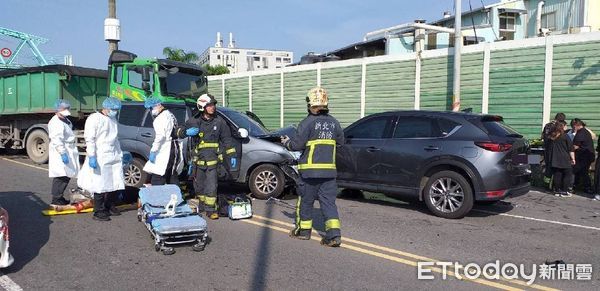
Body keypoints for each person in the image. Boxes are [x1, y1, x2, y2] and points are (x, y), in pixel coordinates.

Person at [281, 86, 344, 247]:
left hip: (309, 172)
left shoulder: (307, 123)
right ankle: (334, 235)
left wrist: (286, 143)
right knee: (329, 203)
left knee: (305, 202)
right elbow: (341, 142)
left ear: (310, 104)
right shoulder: (334, 123)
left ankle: (303, 232)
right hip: (329, 172)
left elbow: (296, 145)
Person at [176, 93, 236, 220]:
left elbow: (227, 140)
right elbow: (177, 131)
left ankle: (210, 210)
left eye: (213, 105)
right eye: (209, 105)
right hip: (198, 161)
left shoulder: (219, 122)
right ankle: (202, 205)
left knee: (212, 185)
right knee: (199, 186)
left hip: (213, 161)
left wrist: (232, 155)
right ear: (202, 107)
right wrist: (185, 132)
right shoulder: (194, 121)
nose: (212, 107)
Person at [77, 97, 125, 221]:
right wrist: (92, 155)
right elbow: (90, 139)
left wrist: (120, 153)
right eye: (113, 109)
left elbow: (115, 139)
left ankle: (109, 205)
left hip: (113, 154)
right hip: (100, 155)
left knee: (115, 181)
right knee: (100, 183)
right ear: (105, 108)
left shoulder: (113, 119)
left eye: (116, 109)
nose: (115, 111)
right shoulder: (94, 118)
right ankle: (98, 211)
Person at [142, 97, 184, 185]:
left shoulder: (160, 118)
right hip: (174, 147)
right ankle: (174, 196)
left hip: (166, 149)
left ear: (157, 105)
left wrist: (153, 151)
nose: (151, 111)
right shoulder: (169, 114)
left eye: (151, 108)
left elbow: (160, 137)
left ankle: (158, 196)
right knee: (172, 174)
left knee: (158, 175)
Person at [48, 99, 80, 206]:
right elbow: (57, 139)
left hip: (68, 148)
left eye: (67, 108)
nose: (66, 110)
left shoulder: (66, 120)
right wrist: (62, 153)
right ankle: (56, 199)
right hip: (60, 150)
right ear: (57, 110)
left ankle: (59, 197)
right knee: (61, 175)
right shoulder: (55, 122)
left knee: (67, 175)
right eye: (64, 108)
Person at [548, 120, 575, 197]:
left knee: (557, 174)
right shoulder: (565, 136)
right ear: (562, 127)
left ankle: (557, 191)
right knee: (567, 174)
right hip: (564, 158)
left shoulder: (551, 136)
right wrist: (573, 159)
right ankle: (565, 191)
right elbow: (571, 149)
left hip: (554, 159)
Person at [571, 118, 595, 194]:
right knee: (581, 172)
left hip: (584, 157)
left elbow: (575, 146)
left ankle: (585, 187)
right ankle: (581, 186)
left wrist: (568, 149)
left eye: (573, 126)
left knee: (577, 171)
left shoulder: (580, 133)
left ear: (575, 125)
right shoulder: (585, 131)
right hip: (587, 156)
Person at [542, 113, 566, 178]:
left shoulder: (547, 125)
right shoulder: (558, 126)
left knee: (548, 167)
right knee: (555, 168)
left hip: (547, 148)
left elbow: (543, 136)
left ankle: (547, 183)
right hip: (555, 150)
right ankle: (553, 184)